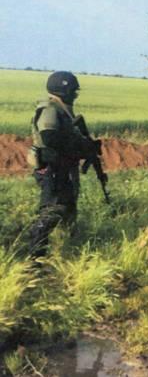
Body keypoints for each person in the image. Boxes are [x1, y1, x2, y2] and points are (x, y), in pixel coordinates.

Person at [27, 71, 98, 257]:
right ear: (63, 90)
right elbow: (49, 137)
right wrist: (76, 146)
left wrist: (85, 147)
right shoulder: (50, 109)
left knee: (67, 208)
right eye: (73, 91)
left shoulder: (62, 110)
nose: (75, 95)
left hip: (62, 167)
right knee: (53, 208)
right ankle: (35, 256)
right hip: (53, 167)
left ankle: (66, 249)